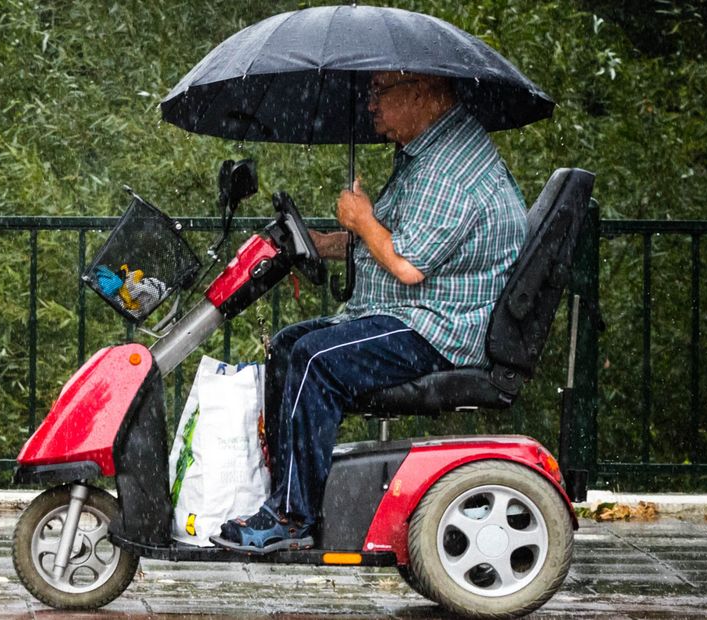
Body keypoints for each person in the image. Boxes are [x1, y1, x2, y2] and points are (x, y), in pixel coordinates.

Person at [211, 71, 529, 554]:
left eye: (381, 91)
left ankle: (292, 520)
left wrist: (362, 218)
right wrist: (320, 243)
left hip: (435, 326)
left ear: (422, 93)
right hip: (409, 311)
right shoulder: (427, 152)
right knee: (287, 347)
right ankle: (284, 496)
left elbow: (406, 264)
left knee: (316, 360)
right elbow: (397, 238)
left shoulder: (448, 169)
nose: (371, 102)